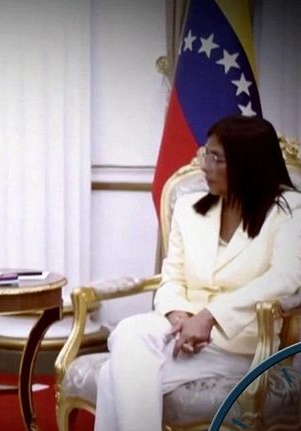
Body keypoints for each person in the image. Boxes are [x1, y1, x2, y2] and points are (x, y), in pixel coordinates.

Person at [95, 115, 301, 430]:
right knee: (128, 331)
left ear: (248, 163)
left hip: (241, 342)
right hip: (181, 328)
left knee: (111, 376)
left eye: (217, 158)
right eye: (206, 153)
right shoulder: (189, 208)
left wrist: (209, 316)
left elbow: (285, 279)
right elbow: (172, 276)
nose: (204, 166)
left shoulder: (290, 209)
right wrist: (178, 314)